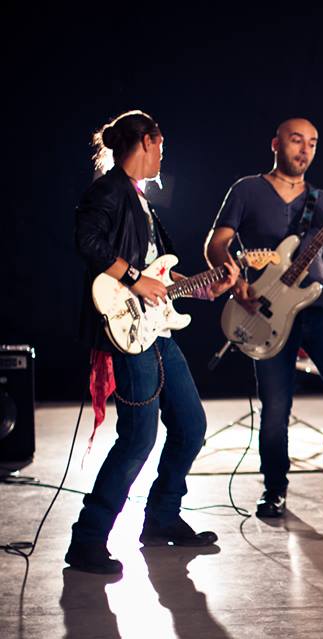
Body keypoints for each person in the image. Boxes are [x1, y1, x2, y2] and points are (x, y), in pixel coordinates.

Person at [204, 118, 323, 523]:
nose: (305, 149)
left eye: (312, 143)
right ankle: (274, 489)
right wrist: (237, 282)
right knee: (276, 408)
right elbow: (216, 244)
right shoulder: (247, 190)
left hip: (319, 305)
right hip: (265, 308)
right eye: (297, 140)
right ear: (275, 144)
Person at [69, 110, 239, 575]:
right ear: (147, 140)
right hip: (128, 331)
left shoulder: (140, 199)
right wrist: (135, 279)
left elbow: (158, 274)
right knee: (138, 438)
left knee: (191, 426)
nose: (164, 154)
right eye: (162, 144)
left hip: (156, 330)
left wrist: (202, 286)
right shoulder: (108, 191)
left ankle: (162, 518)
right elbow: (87, 242)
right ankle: (87, 540)